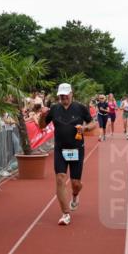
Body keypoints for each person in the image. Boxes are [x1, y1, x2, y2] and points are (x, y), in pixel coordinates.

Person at [36, 83, 95, 226]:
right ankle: (65, 213)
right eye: (61, 95)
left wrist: (85, 128)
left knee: (76, 183)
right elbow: (42, 125)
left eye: (65, 95)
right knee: (60, 179)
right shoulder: (55, 109)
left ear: (71, 94)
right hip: (60, 150)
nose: (63, 97)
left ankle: (75, 195)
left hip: (77, 149)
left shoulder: (80, 108)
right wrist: (43, 116)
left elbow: (93, 123)